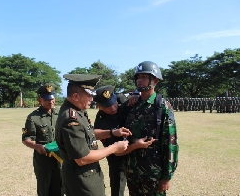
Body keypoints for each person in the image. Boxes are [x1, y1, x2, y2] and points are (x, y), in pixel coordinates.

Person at [55, 74, 131, 196]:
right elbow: (82, 158)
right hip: (82, 181)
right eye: (89, 95)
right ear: (75, 96)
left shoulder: (78, 111)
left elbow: (89, 134)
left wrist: (112, 132)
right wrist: (114, 148)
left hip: (87, 175)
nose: (92, 99)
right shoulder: (71, 119)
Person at [118, 61, 179, 196]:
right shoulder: (131, 105)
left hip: (153, 172)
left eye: (144, 77)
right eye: (138, 77)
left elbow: (171, 143)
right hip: (133, 171)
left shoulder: (162, 106)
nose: (140, 80)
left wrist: (167, 176)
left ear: (155, 80)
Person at [93, 85, 153, 196]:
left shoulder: (121, 100)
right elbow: (116, 152)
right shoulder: (101, 121)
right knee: (117, 190)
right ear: (99, 107)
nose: (113, 108)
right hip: (118, 160)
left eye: (113, 103)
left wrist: (135, 94)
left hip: (137, 156)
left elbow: (143, 95)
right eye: (108, 106)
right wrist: (136, 145)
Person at [22, 84, 62, 196]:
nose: (51, 102)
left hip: (60, 159)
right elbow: (26, 138)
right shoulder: (33, 117)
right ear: (39, 100)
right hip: (44, 161)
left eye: (52, 99)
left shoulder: (61, 114)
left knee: (60, 188)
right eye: (47, 99)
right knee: (44, 189)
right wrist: (36, 146)